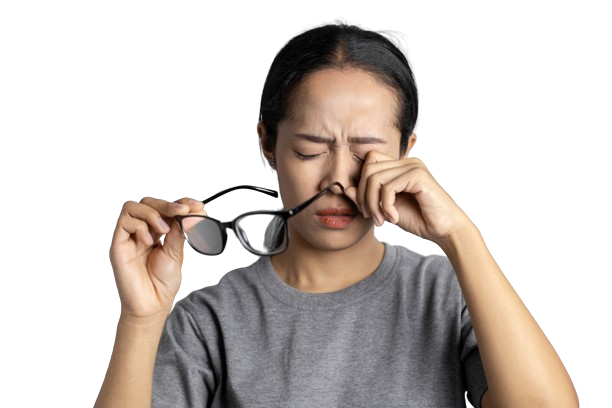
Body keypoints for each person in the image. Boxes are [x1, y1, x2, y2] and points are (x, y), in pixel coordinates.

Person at [95, 19, 579, 407]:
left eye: (367, 152)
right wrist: (141, 319)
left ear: (407, 150)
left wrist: (460, 235)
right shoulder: (209, 322)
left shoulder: (454, 294)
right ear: (267, 143)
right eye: (310, 150)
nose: (337, 181)